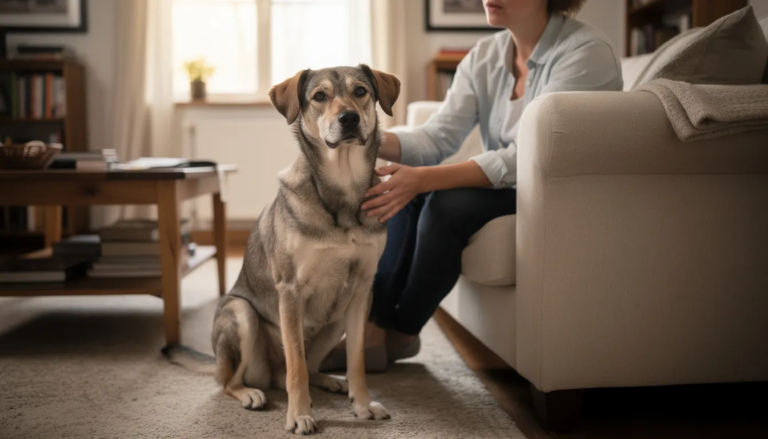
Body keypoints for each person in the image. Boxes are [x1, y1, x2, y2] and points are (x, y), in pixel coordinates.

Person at [321, 0, 622, 372]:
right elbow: (439, 136)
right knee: (398, 189)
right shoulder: (486, 55)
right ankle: (369, 328)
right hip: (509, 186)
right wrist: (365, 134)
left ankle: (400, 332)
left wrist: (425, 180)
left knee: (446, 204)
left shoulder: (586, 52)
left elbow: (537, 153)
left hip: (559, 190)